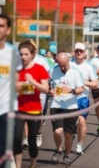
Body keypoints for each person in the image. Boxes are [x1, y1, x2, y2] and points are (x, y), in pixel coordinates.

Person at [15, 39, 49, 168]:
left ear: (32, 54)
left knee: (32, 140)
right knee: (17, 139)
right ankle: (18, 165)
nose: (23, 57)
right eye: (21, 54)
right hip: (19, 108)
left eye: (26, 54)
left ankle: (32, 164)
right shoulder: (17, 69)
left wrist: (33, 82)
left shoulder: (39, 69)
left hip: (34, 109)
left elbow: (45, 89)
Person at [49, 52, 84, 164]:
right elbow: (46, 84)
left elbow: (81, 89)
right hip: (56, 105)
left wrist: (72, 90)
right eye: (60, 65)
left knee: (68, 134)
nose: (62, 67)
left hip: (71, 107)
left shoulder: (75, 72)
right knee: (58, 131)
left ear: (69, 61)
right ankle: (59, 149)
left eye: (64, 65)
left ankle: (67, 154)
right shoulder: (52, 70)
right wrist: (49, 91)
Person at [0, 14, 22, 168]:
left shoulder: (13, 53)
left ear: (7, 30)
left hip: (6, 109)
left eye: (1, 26)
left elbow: (18, 80)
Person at [71, 42, 98, 154]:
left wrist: (84, 82)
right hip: (69, 99)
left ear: (84, 53)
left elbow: (95, 84)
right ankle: (68, 143)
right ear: (74, 52)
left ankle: (79, 145)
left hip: (83, 98)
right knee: (70, 125)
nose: (79, 53)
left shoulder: (88, 66)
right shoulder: (68, 64)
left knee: (82, 122)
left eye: (81, 51)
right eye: (77, 51)